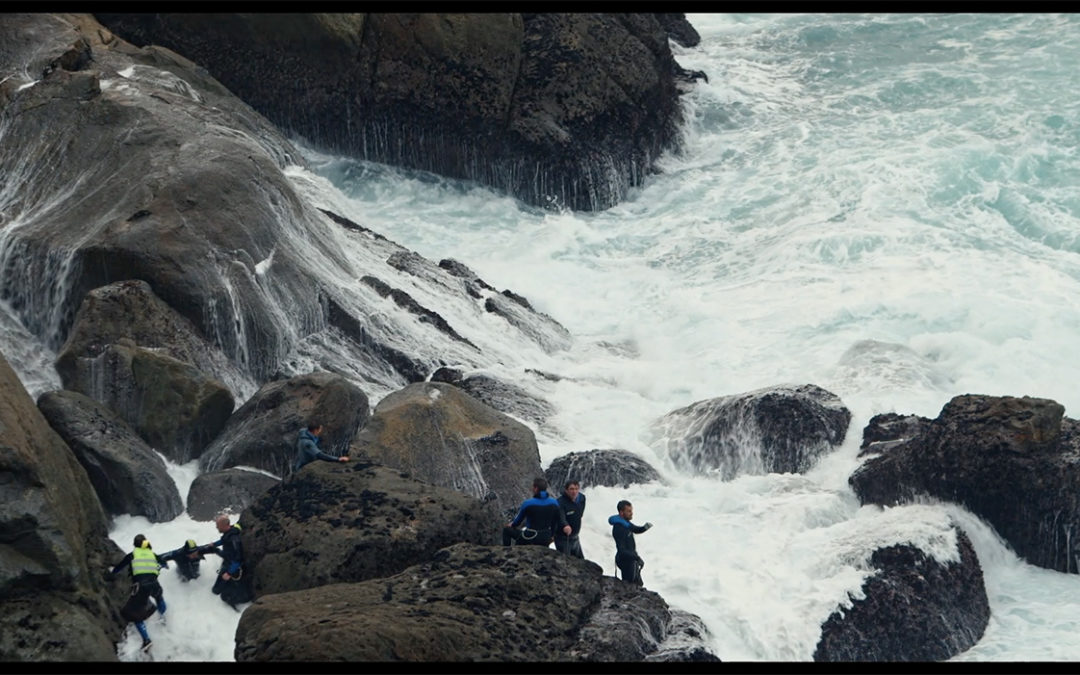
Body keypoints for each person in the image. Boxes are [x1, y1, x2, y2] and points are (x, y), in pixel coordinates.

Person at [105, 534, 168, 652]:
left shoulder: (132, 555)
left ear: (135, 545)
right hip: (154, 583)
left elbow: (119, 567)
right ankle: (163, 619)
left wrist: (111, 573)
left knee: (134, 613)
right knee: (159, 598)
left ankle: (146, 640)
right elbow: (165, 564)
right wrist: (157, 569)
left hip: (141, 586)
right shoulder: (152, 554)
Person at [502, 477, 571, 547]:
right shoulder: (554, 502)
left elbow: (518, 521)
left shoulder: (528, 503)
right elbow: (557, 520)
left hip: (530, 537)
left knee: (507, 530)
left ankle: (507, 550)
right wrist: (552, 535)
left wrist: (512, 525)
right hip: (545, 538)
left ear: (536, 488)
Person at [209, 515, 254, 610]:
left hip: (233, 568)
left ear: (224, 525)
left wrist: (229, 573)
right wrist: (215, 544)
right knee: (216, 590)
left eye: (218, 526)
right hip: (227, 563)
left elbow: (238, 557)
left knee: (225, 594)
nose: (217, 528)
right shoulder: (228, 533)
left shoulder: (234, 538)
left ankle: (235, 606)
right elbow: (224, 540)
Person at [608, 500, 652, 586]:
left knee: (638, 584)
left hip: (631, 558)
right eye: (629, 511)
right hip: (626, 561)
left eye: (631, 511)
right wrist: (636, 557)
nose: (631, 513)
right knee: (630, 585)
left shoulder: (626, 523)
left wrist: (645, 527)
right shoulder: (619, 528)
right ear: (621, 512)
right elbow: (621, 550)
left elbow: (636, 529)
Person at [554, 479, 586, 558]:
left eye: (576, 489)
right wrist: (565, 525)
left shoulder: (582, 498)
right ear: (566, 490)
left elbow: (580, 514)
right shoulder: (560, 502)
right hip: (563, 539)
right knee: (566, 563)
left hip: (575, 538)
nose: (574, 492)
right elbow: (560, 517)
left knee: (582, 562)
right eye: (571, 489)